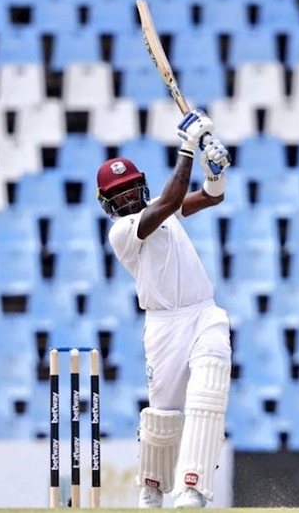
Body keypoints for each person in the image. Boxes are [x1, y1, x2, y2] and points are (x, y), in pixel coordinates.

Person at [95, 110, 233, 509]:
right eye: (117, 194)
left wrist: (216, 172)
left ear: (141, 185)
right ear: (108, 203)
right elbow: (173, 199)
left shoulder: (160, 205)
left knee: (209, 389)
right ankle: (153, 486)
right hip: (163, 325)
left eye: (130, 187)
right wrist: (188, 147)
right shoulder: (122, 231)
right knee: (163, 413)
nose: (126, 196)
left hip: (204, 312)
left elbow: (210, 197)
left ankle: (193, 486)